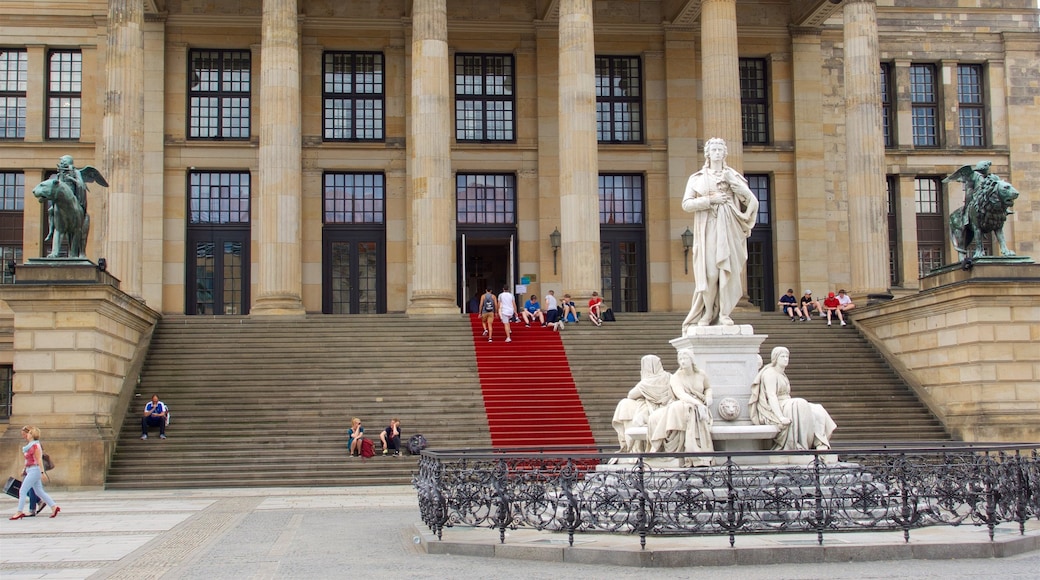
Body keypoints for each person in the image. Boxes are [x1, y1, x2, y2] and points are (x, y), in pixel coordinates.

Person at [680, 138, 759, 332]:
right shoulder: (697, 177)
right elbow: (687, 204)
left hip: (729, 226)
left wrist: (735, 186)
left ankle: (724, 313)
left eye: (720, 149)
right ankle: (707, 312)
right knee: (710, 273)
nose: (716, 152)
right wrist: (710, 199)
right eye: (713, 149)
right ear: (707, 153)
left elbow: (750, 200)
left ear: (724, 153)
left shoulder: (733, 176)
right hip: (708, 229)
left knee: (727, 272)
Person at [749, 346, 837, 451]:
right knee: (799, 403)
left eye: (787, 356)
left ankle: (820, 442)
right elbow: (771, 396)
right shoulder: (770, 373)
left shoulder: (782, 374)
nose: (786, 359)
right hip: (776, 406)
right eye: (782, 356)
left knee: (817, 408)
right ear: (775, 358)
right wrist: (780, 417)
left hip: (786, 402)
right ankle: (799, 444)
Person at [647, 348, 714, 466]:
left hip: (698, 403)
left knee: (680, 408)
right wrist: (697, 404)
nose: (682, 361)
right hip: (685, 402)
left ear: (692, 360)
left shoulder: (701, 374)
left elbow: (708, 387)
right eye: (680, 359)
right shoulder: (676, 377)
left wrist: (709, 397)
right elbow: (680, 394)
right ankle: (672, 451)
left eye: (685, 358)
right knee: (657, 416)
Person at [611, 354, 675, 454]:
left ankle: (632, 448)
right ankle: (634, 448)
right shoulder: (670, 377)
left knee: (625, 404)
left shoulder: (646, 382)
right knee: (628, 406)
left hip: (655, 411)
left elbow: (631, 395)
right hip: (666, 409)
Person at [9, 426, 59, 520]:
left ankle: (19, 511)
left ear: (32, 435)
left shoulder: (36, 445)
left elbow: (39, 459)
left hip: (34, 470)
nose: (26, 435)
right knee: (39, 491)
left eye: (29, 433)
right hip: (30, 469)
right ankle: (54, 506)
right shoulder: (30, 445)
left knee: (23, 490)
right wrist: (24, 469)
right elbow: (28, 459)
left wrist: (42, 472)